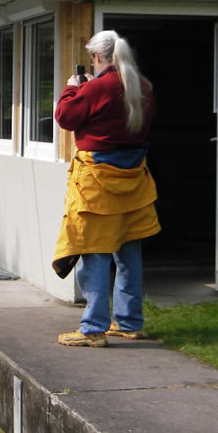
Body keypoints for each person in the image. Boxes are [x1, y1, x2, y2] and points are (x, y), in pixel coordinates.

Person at [52, 30, 160, 347]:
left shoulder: (98, 86)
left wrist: (73, 89)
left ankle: (93, 329)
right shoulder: (142, 87)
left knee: (94, 251)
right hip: (134, 174)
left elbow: (65, 117)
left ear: (98, 58)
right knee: (128, 251)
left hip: (97, 178)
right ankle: (129, 322)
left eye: (92, 59)